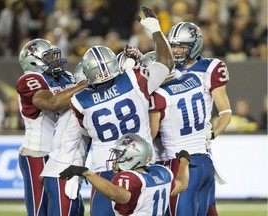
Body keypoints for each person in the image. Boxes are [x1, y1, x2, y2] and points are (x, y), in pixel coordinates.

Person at [69, 5, 174, 216]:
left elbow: (86, 131)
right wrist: (154, 28)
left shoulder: (79, 100)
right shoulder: (134, 79)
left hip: (104, 168)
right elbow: (166, 62)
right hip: (140, 166)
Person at [163, 21, 232, 216]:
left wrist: (211, 134)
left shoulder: (209, 68)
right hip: (173, 148)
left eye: (182, 46)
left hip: (192, 149)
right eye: (173, 45)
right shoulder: (166, 69)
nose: (176, 50)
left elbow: (225, 113)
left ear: (196, 45)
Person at [16, 38, 87, 215]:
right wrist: (85, 84)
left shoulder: (66, 76)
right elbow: (53, 103)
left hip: (64, 153)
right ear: (33, 61)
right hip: (38, 153)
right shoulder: (30, 79)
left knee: (71, 207)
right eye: (49, 57)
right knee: (40, 209)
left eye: (54, 56)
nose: (55, 60)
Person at [59, 133, 191, 215]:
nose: (115, 160)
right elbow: (182, 184)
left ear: (132, 158)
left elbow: (115, 193)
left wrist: (87, 173)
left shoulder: (131, 179)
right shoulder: (161, 174)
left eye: (119, 155)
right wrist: (184, 161)